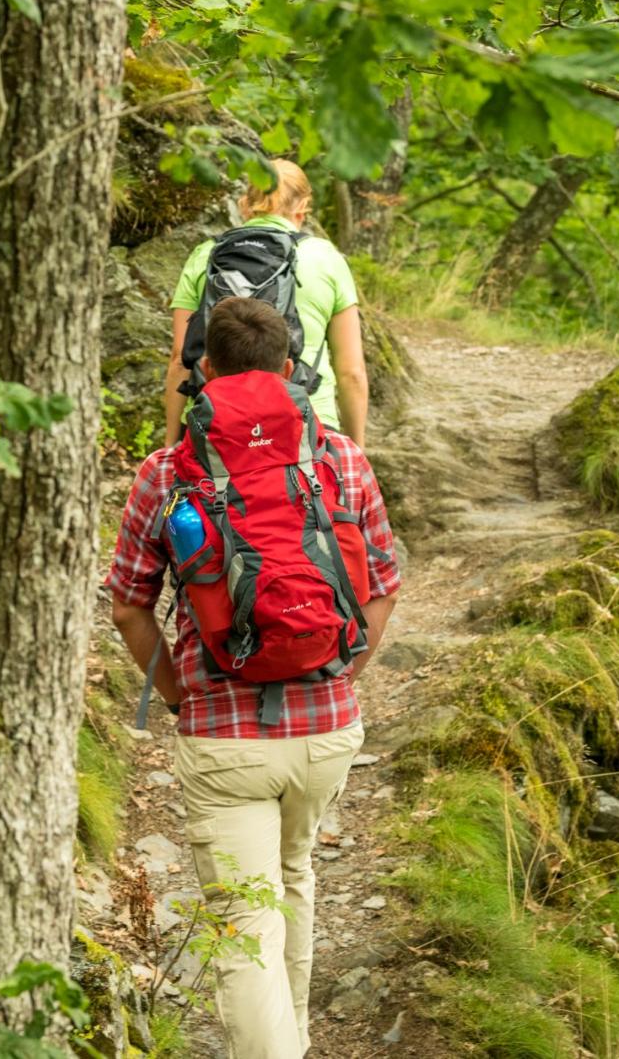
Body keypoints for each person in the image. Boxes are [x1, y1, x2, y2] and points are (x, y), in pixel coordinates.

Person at [109, 297, 400, 1059]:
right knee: (294, 876)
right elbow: (384, 585)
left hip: (224, 738)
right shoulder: (342, 458)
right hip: (328, 729)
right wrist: (344, 669)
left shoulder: (167, 471)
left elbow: (129, 605)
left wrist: (180, 695)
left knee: (244, 927)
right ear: (289, 367)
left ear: (204, 369)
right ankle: (293, 1042)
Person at [163, 160, 370, 449]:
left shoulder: (207, 254)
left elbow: (180, 359)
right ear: (303, 207)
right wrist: (356, 451)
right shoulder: (326, 258)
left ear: (245, 203)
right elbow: (352, 372)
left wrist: (171, 445)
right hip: (308, 421)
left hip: (215, 423)